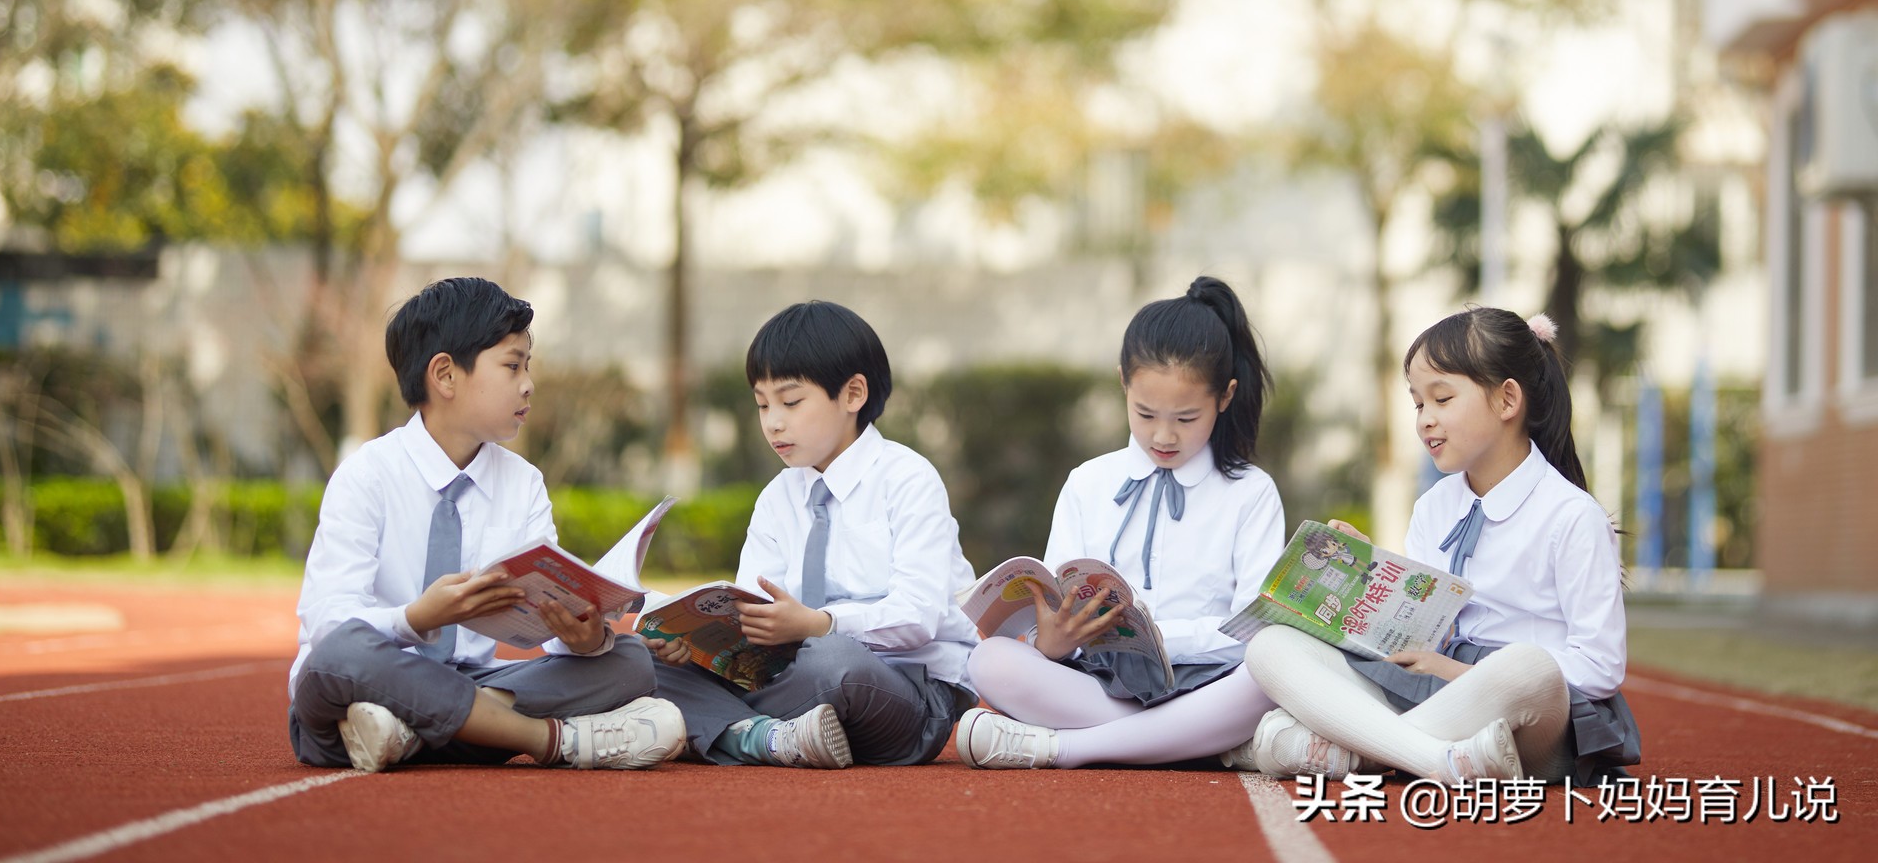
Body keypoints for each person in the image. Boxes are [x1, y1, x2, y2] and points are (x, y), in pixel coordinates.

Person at [287, 277, 685, 773]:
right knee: (338, 652)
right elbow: (329, 621)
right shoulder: (366, 475)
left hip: (469, 682)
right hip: (363, 684)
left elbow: (544, 621)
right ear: (446, 376)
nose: (528, 383)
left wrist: (582, 637)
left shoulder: (523, 483)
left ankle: (407, 733)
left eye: (528, 366)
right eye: (512, 365)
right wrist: (417, 618)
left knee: (628, 661)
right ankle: (548, 740)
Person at [1237, 308, 1640, 785]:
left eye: (1442, 399)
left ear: (1508, 399)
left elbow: (1600, 668)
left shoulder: (1572, 516)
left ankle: (1365, 751)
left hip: (1532, 718)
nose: (1425, 420)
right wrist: (1366, 578)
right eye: (1418, 404)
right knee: (1269, 646)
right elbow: (1418, 635)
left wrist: (1454, 671)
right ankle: (1442, 760)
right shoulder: (1434, 507)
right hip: (1433, 692)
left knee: (1529, 665)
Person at [955, 275, 1286, 769]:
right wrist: (1052, 641)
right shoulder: (1089, 482)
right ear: (1123, 384)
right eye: (1145, 413)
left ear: (1225, 396)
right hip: (1101, 681)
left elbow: (1251, 631)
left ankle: (1066, 747)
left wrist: (1163, 639)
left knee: (1274, 668)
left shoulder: (1250, 491)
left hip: (1207, 680)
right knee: (988, 661)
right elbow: (1052, 601)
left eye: (1187, 417)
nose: (1164, 435)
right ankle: (1188, 742)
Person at [648, 300, 980, 767]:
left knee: (831, 660)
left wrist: (820, 625)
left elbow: (918, 617)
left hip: (907, 693)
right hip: (793, 678)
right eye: (762, 404)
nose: (773, 422)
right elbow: (749, 617)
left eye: (790, 401)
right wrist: (696, 645)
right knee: (644, 664)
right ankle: (765, 738)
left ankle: (726, 729)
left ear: (853, 394)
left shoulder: (907, 479)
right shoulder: (776, 499)